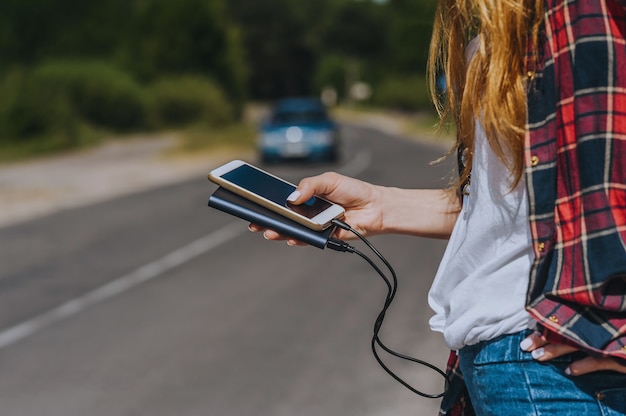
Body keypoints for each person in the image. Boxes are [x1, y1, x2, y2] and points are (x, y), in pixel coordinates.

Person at [250, 0, 626, 414]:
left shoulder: (588, 14)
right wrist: (381, 206)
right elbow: (514, 211)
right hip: (499, 363)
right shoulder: (495, 37)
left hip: (560, 366)